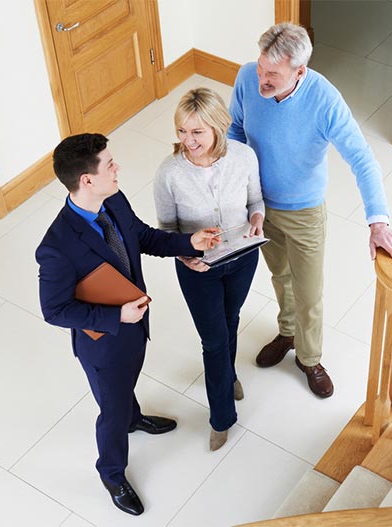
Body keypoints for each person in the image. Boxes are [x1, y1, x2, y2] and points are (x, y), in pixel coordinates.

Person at [36, 133, 220, 516]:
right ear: (86, 180)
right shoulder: (55, 246)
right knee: (112, 410)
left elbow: (143, 238)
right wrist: (115, 317)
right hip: (103, 343)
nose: (118, 167)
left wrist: (190, 243)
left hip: (135, 327)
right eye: (110, 164)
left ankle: (134, 418)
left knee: (125, 390)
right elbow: (54, 310)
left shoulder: (113, 200)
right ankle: (111, 473)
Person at [228, 22, 392, 398]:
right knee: (280, 276)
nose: (262, 79)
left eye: (273, 74)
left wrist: (377, 221)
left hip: (304, 212)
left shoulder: (324, 100)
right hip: (259, 206)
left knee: (309, 293)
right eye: (261, 68)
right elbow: (235, 132)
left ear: (300, 72)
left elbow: (362, 159)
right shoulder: (246, 78)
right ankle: (287, 332)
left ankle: (309, 358)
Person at [154, 87, 264, 451]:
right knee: (214, 340)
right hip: (197, 268)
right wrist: (184, 255)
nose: (188, 140)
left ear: (218, 127)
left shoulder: (244, 157)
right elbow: (167, 230)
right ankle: (221, 417)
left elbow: (255, 201)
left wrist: (258, 218)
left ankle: (229, 373)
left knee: (231, 318)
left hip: (242, 257)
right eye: (182, 131)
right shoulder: (169, 173)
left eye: (197, 132)